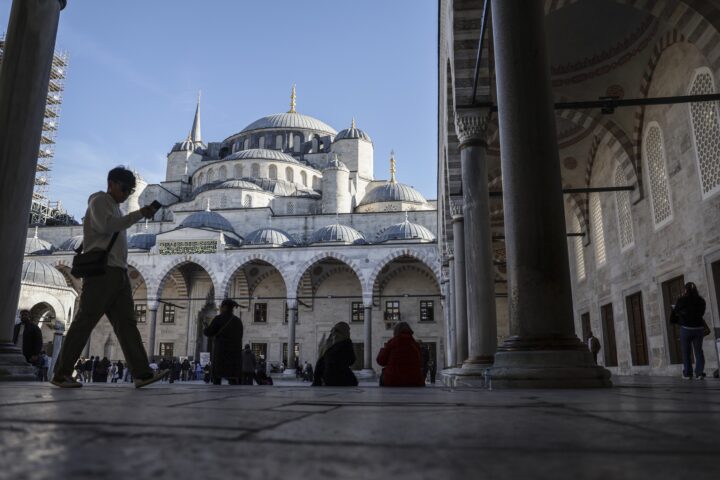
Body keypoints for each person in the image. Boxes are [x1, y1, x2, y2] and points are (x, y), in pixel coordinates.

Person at [50, 167, 168, 389]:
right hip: (103, 273)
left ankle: (142, 373)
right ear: (112, 183)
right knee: (85, 321)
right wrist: (140, 214)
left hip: (118, 273)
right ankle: (61, 373)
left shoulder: (114, 207)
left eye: (130, 191)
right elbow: (106, 226)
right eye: (124, 189)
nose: (125, 194)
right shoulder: (100, 200)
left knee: (127, 324)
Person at [671, 282, 708, 379]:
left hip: (686, 329)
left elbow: (676, 311)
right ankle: (699, 373)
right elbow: (702, 312)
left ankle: (688, 374)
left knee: (686, 352)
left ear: (685, 290)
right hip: (699, 329)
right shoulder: (701, 300)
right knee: (699, 351)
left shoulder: (682, 300)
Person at [203, 299, 244, 385]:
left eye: (221, 306)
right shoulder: (237, 321)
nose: (220, 308)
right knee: (232, 377)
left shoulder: (219, 319)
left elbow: (209, 332)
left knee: (217, 376)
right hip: (234, 354)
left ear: (224, 307)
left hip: (221, 352)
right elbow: (240, 336)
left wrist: (206, 327)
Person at [376, 322, 425, 387]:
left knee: (383, 375)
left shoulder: (392, 343)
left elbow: (381, 361)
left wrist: (383, 349)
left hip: (392, 380)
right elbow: (421, 363)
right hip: (414, 381)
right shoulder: (415, 345)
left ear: (396, 331)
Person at [312, 322, 358, 387]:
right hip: (340, 379)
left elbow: (320, 364)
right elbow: (351, 360)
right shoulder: (344, 344)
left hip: (331, 378)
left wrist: (316, 380)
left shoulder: (330, 346)